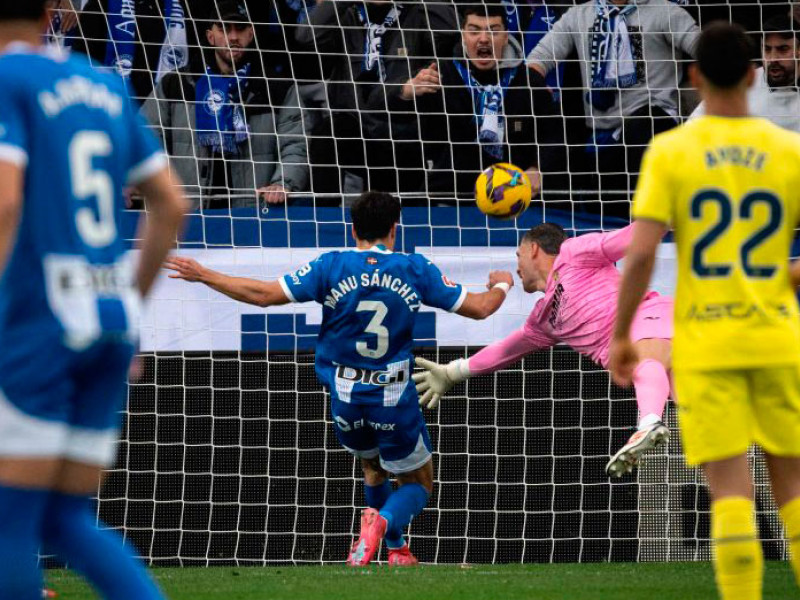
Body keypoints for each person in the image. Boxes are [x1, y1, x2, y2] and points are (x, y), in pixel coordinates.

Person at [165, 191, 513, 566]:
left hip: (345, 398)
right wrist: (501, 284)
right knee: (419, 483)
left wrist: (203, 274)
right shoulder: (414, 269)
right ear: (395, 230)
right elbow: (480, 309)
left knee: (373, 467)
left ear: (353, 229)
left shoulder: (330, 266)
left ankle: (394, 550)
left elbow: (263, 295)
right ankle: (383, 523)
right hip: (393, 398)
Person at [0, 2, 187, 599]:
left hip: (39, 325)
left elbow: (4, 203)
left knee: (12, 519)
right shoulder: (101, 83)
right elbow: (172, 203)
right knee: (65, 518)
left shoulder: (8, 79)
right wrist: (129, 302)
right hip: (109, 320)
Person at [610, 22, 800, 600]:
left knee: (729, 489)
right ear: (753, 73)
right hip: (776, 334)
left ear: (692, 78)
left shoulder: (672, 149)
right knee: (793, 487)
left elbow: (641, 253)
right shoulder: (788, 150)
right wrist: (781, 276)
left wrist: (621, 334)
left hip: (707, 339)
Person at [413, 222, 672, 477]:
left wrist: (664, 212)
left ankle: (648, 421)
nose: (516, 267)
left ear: (533, 249)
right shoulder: (544, 319)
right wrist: (452, 373)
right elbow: (505, 350)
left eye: (518, 255)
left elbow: (630, 237)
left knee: (644, 359)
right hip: (654, 351)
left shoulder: (574, 252)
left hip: (652, 319)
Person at [526, 0, 698, 215]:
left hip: (653, 126)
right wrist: (535, 81)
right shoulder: (579, 14)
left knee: (641, 128)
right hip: (602, 134)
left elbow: (704, 48)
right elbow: (538, 58)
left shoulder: (665, 12)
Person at [141, 0, 308, 210]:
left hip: (253, 214)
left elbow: (296, 144)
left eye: (240, 28)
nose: (233, 37)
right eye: (224, 29)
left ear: (251, 33)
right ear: (210, 36)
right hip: (190, 213)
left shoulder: (277, 89)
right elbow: (146, 136)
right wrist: (155, 184)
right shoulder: (177, 84)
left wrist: (283, 183)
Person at [398, 3, 565, 202]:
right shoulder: (438, 74)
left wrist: (538, 167)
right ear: (463, 35)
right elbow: (386, 114)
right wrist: (405, 92)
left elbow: (555, 134)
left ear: (506, 37)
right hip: (449, 199)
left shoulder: (529, 81)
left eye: (493, 32)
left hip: (514, 197)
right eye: (474, 31)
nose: (483, 39)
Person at [295, 0, 457, 197]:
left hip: (403, 134)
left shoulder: (417, 15)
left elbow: (452, 29)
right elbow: (304, 36)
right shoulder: (347, 15)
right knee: (327, 134)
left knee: (395, 215)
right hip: (357, 127)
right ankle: (324, 219)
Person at [692, 15, 800, 133]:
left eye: (783, 49)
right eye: (767, 49)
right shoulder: (742, 80)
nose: (773, 58)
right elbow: (694, 124)